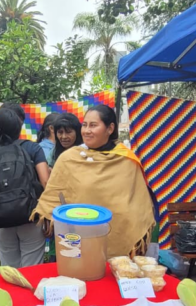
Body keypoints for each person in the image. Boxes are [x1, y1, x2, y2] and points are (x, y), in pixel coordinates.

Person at [33, 105, 156, 258]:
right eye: (84, 125)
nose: (86, 131)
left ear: (110, 128)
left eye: (93, 125)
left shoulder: (125, 159)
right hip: (76, 238)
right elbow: (54, 193)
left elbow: (137, 203)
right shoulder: (69, 158)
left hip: (120, 239)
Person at [0, 107, 50, 267]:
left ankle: (12, 293)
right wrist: (47, 215)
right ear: (19, 127)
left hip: (2, 220)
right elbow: (46, 183)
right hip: (31, 217)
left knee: (10, 271)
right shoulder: (33, 148)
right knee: (31, 271)